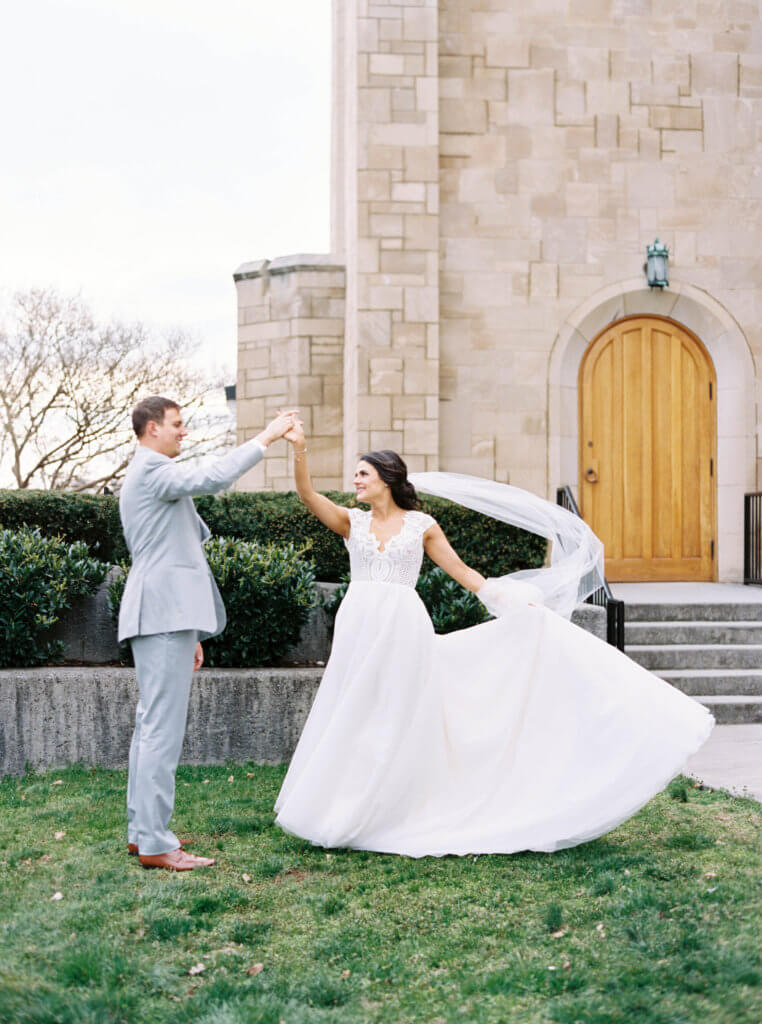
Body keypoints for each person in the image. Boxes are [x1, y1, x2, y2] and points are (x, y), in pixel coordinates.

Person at [274, 425, 713, 857]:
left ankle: (395, 805)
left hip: (403, 626)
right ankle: (343, 805)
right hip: (359, 623)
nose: (355, 480)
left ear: (387, 479)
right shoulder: (353, 522)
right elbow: (308, 495)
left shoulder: (422, 526)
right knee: (355, 708)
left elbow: (465, 575)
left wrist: (512, 603)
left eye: (363, 474)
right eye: (356, 474)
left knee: (398, 710)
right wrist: (300, 450)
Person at [119, 397, 298, 871]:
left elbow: (175, 548)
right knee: (161, 730)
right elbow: (214, 476)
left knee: (150, 728)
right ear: (152, 428)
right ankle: (156, 842)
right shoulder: (153, 469)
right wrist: (267, 437)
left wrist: (193, 631)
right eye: (177, 425)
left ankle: (143, 835)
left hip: (166, 617)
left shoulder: (150, 473)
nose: (184, 432)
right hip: (162, 615)